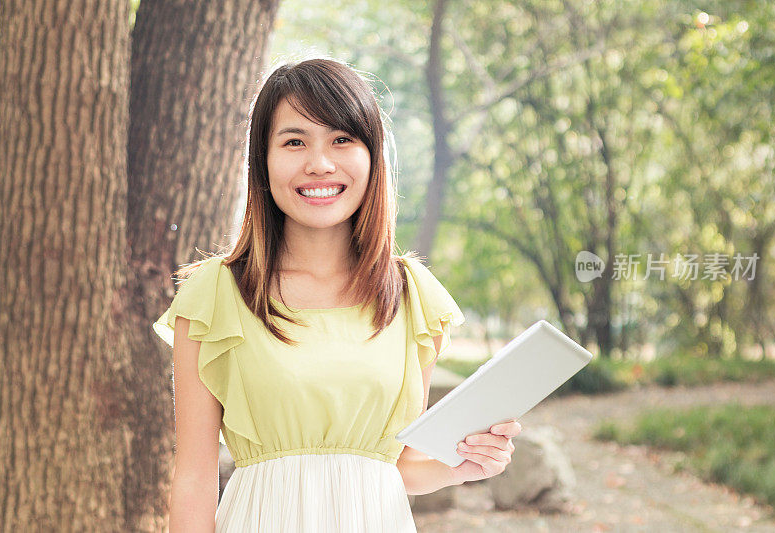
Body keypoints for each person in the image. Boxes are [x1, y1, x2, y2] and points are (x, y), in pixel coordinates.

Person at [152, 57, 521, 532]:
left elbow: (395, 465)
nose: (320, 163)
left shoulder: (410, 295)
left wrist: (461, 465)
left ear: (372, 156)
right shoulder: (216, 294)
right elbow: (194, 478)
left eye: (341, 139)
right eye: (294, 141)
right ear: (262, 159)